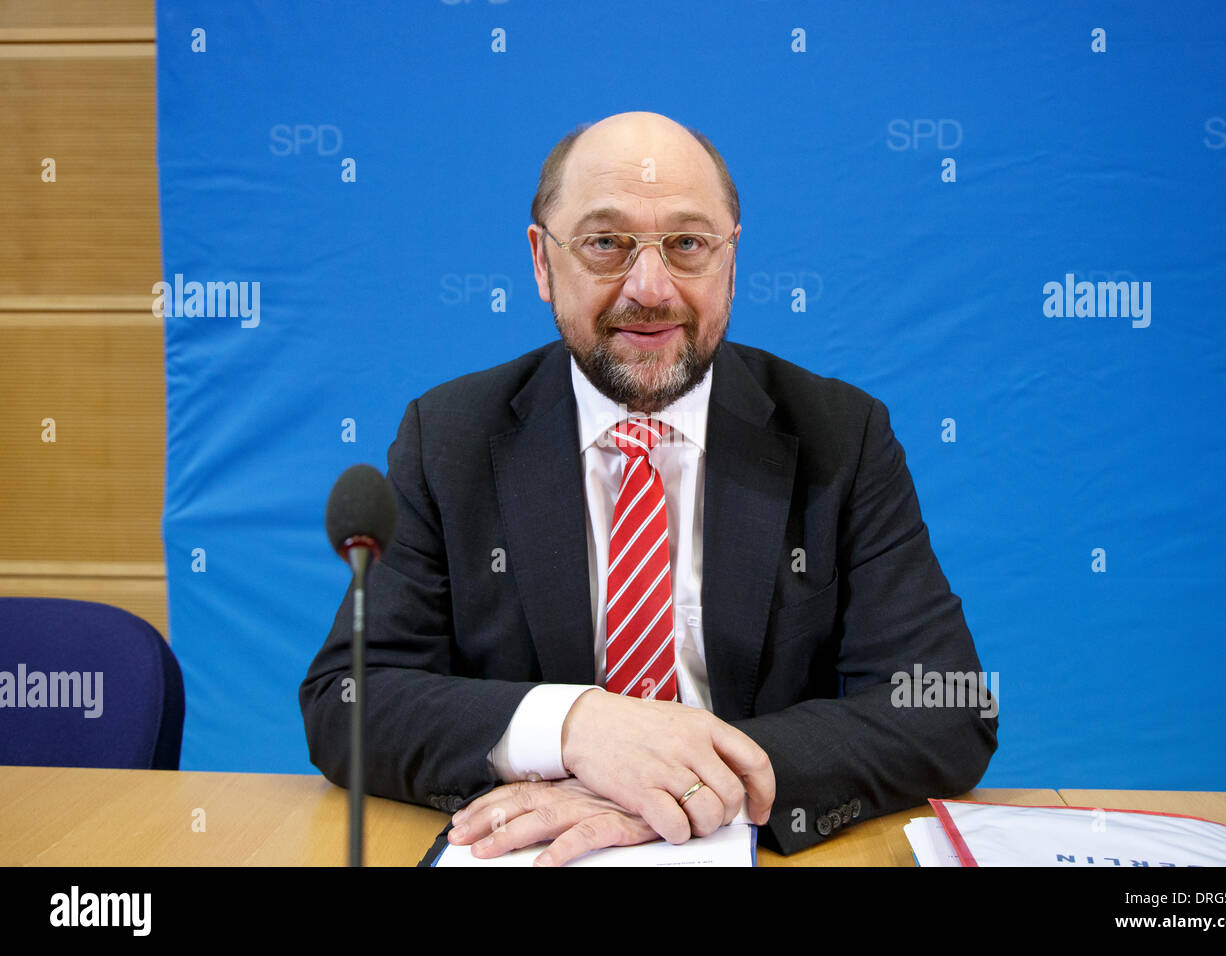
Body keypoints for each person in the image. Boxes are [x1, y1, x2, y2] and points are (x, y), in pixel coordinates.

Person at [299, 111, 997, 865]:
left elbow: (945, 705)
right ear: (541, 262)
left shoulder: (841, 436)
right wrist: (577, 728)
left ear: (732, 262)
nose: (651, 288)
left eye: (688, 245)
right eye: (606, 243)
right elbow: (350, 698)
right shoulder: (450, 437)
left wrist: (679, 782)